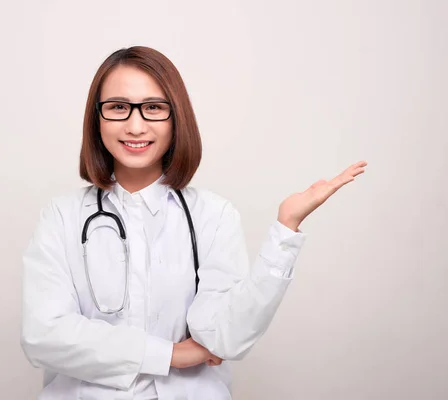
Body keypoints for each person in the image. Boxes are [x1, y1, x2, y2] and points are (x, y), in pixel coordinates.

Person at [20, 46, 367, 400]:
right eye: (118, 107)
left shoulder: (212, 215)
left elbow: (225, 337)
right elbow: (44, 335)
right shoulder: (62, 216)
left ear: (176, 118)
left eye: (153, 107)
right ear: (97, 118)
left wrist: (286, 228)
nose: (135, 125)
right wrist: (170, 355)